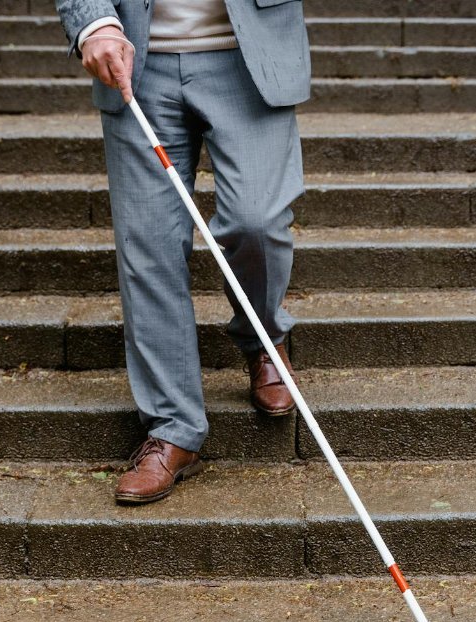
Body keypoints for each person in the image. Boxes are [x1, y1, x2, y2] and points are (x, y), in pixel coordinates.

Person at [54, 0, 311, 503]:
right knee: (148, 244)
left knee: (256, 221)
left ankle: (263, 335)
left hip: (250, 54)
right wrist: (94, 23)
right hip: (137, 59)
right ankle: (174, 427)